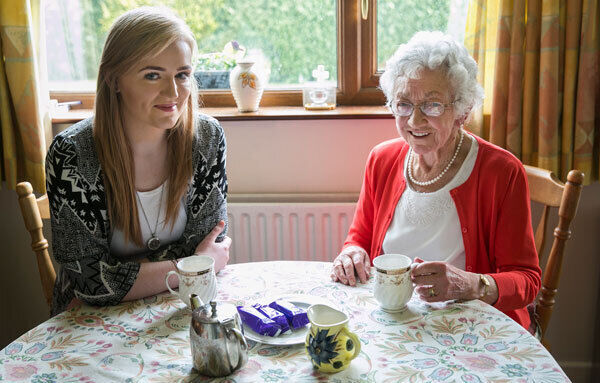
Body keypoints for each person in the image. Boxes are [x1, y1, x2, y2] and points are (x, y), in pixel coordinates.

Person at [331, 31, 541, 331]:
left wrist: (470, 284)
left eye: (432, 105)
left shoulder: (502, 172)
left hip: (473, 328)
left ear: (462, 111)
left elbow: (527, 280)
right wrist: (352, 254)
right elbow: (359, 240)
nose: (415, 121)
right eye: (403, 104)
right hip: (396, 323)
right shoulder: (381, 159)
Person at [45, 7, 230, 315]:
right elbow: (88, 282)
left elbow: (213, 247)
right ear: (114, 80)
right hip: (91, 324)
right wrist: (186, 264)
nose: (172, 92)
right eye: (152, 75)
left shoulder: (206, 138)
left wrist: (130, 272)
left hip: (178, 308)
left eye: (182, 75)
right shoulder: (72, 154)